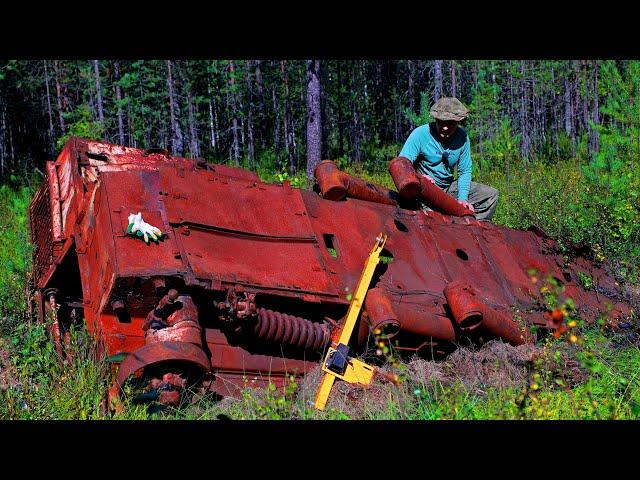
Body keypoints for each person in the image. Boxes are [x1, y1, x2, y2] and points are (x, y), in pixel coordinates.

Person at [399, 97, 498, 221]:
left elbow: (465, 171)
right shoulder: (420, 134)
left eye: (450, 123)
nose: (445, 127)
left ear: (458, 122)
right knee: (433, 219)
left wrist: (462, 199)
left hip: (448, 188)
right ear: (435, 119)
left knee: (490, 195)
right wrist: (419, 178)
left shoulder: (462, 138)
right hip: (424, 191)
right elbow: (402, 164)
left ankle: (471, 230)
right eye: (441, 122)